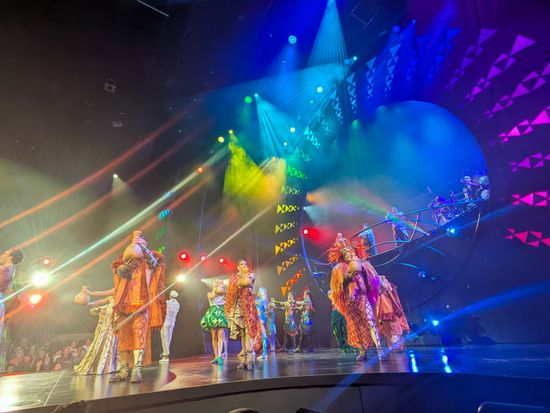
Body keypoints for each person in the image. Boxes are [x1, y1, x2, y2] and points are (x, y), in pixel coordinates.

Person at [83, 230, 166, 383]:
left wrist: (143, 248)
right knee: (123, 338)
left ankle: (137, 370)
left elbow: (154, 264)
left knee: (139, 336)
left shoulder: (149, 261)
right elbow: (117, 286)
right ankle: (124, 370)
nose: (136, 241)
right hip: (124, 305)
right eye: (134, 239)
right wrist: (122, 269)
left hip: (141, 304)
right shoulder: (124, 263)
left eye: (140, 239)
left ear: (145, 243)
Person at [329, 233, 383, 361]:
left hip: (362, 297)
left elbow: (371, 280)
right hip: (350, 301)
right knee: (355, 325)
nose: (348, 255)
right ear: (342, 256)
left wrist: (361, 269)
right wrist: (348, 277)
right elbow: (338, 286)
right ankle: (362, 351)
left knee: (370, 321)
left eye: (350, 252)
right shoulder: (339, 269)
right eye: (345, 253)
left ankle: (380, 349)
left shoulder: (363, 265)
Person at [225, 259, 259, 370]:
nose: (244, 266)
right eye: (241, 264)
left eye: (245, 264)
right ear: (238, 267)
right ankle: (244, 360)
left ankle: (250, 361)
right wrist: (240, 280)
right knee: (242, 334)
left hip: (249, 307)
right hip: (238, 308)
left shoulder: (251, 275)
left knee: (249, 332)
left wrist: (244, 276)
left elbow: (246, 283)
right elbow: (235, 288)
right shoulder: (234, 277)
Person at [74, 295, 119, 375]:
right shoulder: (113, 295)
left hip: (116, 320)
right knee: (101, 343)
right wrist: (90, 303)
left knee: (112, 344)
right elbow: (104, 299)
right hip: (107, 323)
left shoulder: (122, 296)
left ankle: (112, 365)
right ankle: (99, 365)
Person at [0, 248, 24, 372]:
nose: (1, 254)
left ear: (9, 256)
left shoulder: (5, 269)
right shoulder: (11, 269)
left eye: (5, 253)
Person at [376, 275, 410, 352]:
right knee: (387, 330)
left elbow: (386, 287)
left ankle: (398, 346)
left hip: (390, 310)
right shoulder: (376, 286)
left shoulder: (385, 283)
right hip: (383, 311)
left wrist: (380, 280)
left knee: (395, 328)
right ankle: (393, 346)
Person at [201, 280, 228, 364]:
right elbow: (212, 296)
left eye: (217, 281)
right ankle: (216, 356)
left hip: (221, 313)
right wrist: (218, 288)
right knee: (214, 337)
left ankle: (219, 356)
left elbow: (226, 296)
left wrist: (221, 287)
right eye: (215, 281)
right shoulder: (210, 293)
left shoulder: (223, 293)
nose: (216, 282)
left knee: (220, 336)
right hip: (213, 314)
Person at [160, 290, 181, 361]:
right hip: (172, 322)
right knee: (169, 338)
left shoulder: (167, 302)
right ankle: (165, 354)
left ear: (170, 296)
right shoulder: (178, 304)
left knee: (164, 338)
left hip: (166, 322)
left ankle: (165, 355)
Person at [255, 288, 269, 360]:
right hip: (262, 317)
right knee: (263, 335)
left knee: (264, 335)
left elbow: (265, 308)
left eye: (260, 291)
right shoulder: (262, 299)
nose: (259, 292)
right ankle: (264, 353)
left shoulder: (263, 299)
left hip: (261, 318)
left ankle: (264, 353)